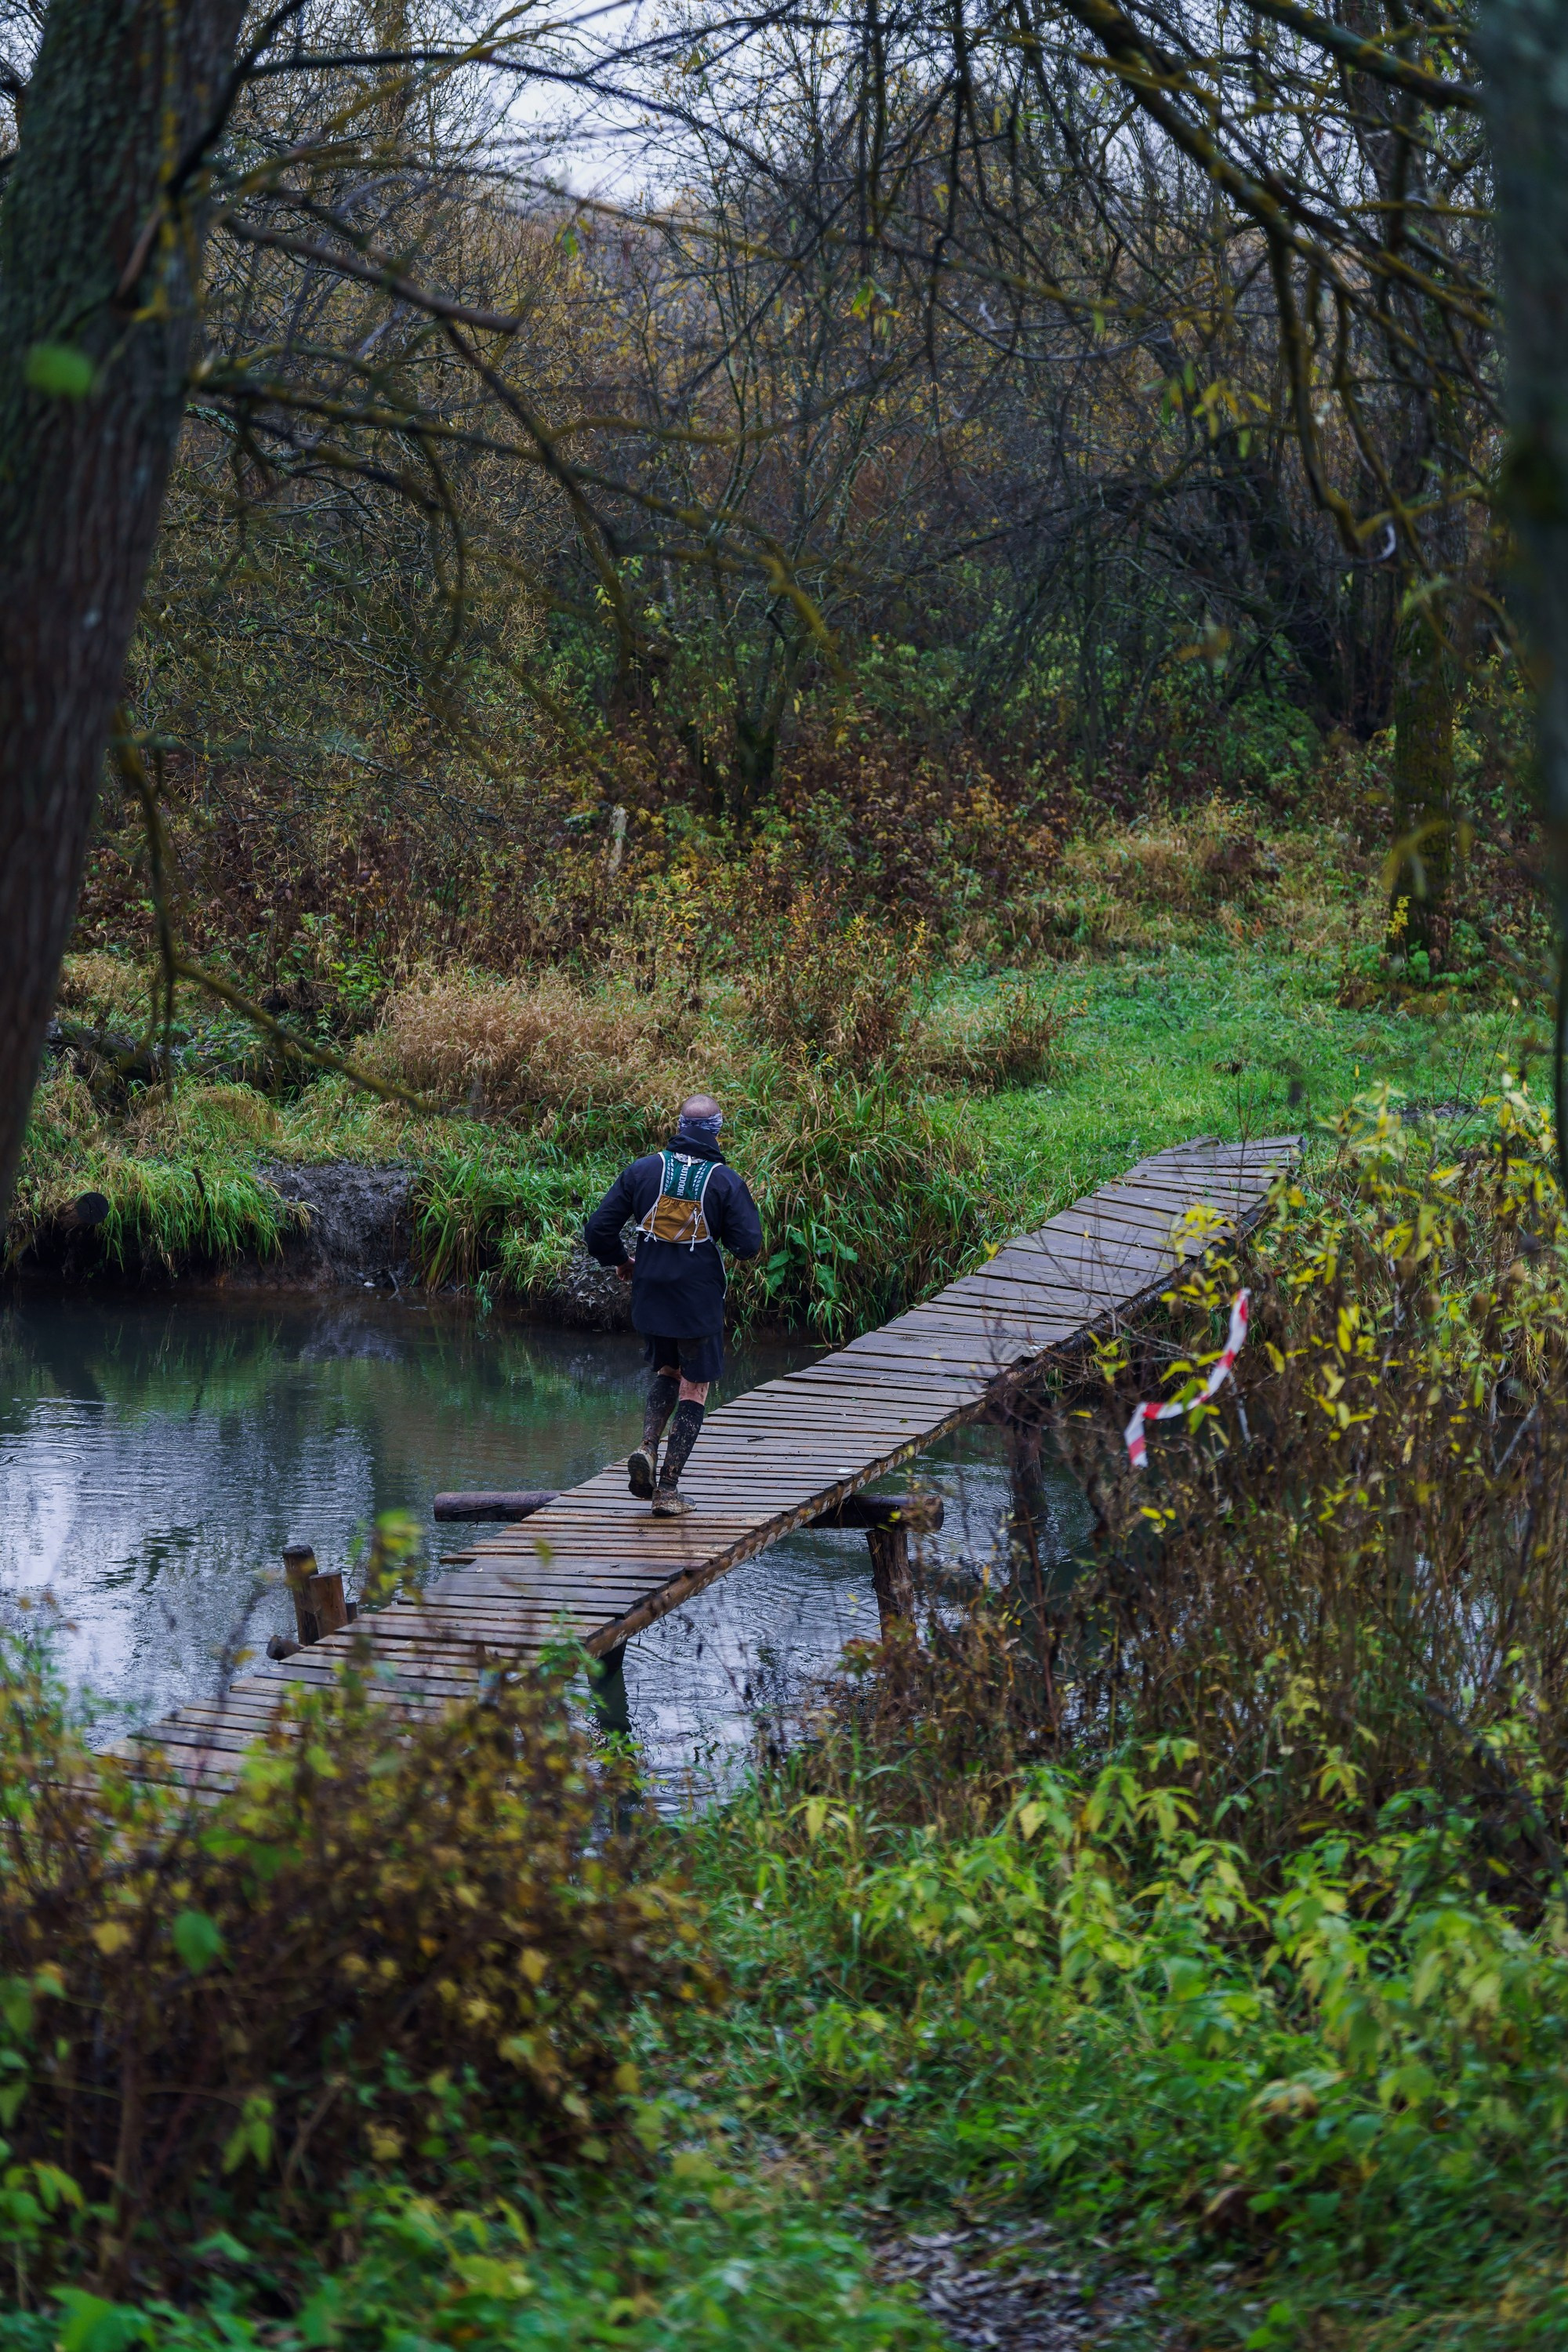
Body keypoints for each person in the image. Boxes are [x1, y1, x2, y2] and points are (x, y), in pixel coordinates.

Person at [583, 1094, 763, 1515]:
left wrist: (622, 1262)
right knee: (695, 1387)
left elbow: (598, 1231)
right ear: (717, 1130)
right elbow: (747, 1246)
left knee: (668, 1369)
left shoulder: (643, 1170)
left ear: (679, 1127)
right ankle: (667, 1491)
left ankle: (647, 1446)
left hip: (650, 1296)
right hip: (697, 1300)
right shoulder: (724, 1180)